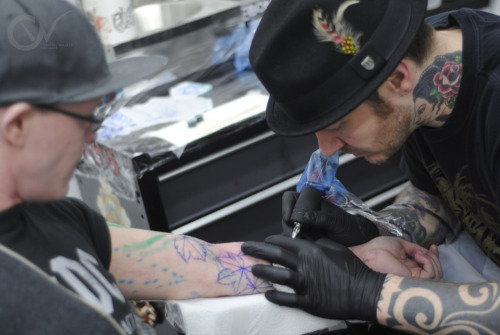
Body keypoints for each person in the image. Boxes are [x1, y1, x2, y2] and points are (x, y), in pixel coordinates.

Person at [0, 0, 440, 334]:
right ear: (17, 124)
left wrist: (353, 261)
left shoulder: (59, 219)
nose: (93, 139)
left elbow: (204, 264)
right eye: (86, 118)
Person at [241, 0, 500, 333]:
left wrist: (369, 293)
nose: (327, 149)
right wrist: (371, 228)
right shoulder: (422, 76)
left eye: (339, 125)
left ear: (399, 79)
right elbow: (438, 198)